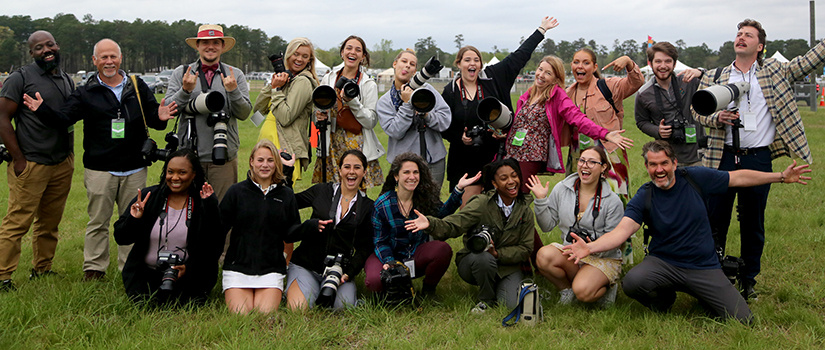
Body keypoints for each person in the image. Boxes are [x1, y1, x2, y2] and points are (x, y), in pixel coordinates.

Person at [564, 140, 811, 323]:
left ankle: (704, 295)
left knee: (744, 320)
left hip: (703, 266)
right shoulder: (645, 194)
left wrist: (780, 176)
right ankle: (664, 300)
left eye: (664, 163)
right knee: (633, 282)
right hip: (663, 263)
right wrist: (590, 248)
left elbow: (737, 178)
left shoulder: (695, 178)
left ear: (674, 163)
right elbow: (621, 232)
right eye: (653, 165)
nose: (659, 170)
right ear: (647, 167)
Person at [21, 38, 177, 281]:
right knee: (98, 222)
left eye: (113, 56)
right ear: (94, 61)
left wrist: (162, 116)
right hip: (100, 170)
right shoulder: (85, 92)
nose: (109, 61)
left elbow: (154, 120)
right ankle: (94, 269)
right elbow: (64, 119)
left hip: (135, 168)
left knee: (134, 219)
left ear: (120, 58)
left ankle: (130, 267)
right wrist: (41, 109)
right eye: (103, 57)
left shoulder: (137, 86)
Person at [695, 19, 825, 301]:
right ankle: (715, 276)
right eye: (739, 34)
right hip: (722, 159)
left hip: (758, 159)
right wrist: (718, 117)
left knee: (753, 224)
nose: (741, 38)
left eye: (748, 35)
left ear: (760, 46)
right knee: (715, 220)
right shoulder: (715, 75)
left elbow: (809, 61)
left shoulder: (777, 71)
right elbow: (697, 112)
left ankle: (748, 279)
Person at [441, 16, 559, 205]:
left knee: (498, 208)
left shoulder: (493, 78)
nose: (472, 64)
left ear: (481, 64)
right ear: (459, 64)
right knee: (469, 210)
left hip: (495, 155)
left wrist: (541, 31)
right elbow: (443, 126)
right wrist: (459, 137)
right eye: (467, 60)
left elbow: (520, 56)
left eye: (476, 60)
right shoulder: (450, 91)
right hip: (463, 158)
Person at [404, 157, 534, 313]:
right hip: (476, 261)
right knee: (484, 257)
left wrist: (498, 254)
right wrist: (431, 223)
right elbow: (455, 223)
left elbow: (526, 248)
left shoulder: (524, 209)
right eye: (504, 178)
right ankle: (485, 300)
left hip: (508, 266)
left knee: (512, 305)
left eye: (514, 176)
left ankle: (497, 287)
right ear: (494, 183)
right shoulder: (481, 203)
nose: (511, 181)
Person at [0, 30, 75, 290]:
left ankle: (42, 268)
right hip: (31, 162)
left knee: (50, 222)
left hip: (61, 163)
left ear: (57, 45)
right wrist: (18, 158)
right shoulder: (20, 78)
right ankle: (3, 276)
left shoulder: (65, 78)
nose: (46, 50)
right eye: (39, 47)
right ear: (31, 53)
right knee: (17, 222)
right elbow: (2, 118)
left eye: (50, 44)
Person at [505, 55, 633, 192]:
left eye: (548, 73)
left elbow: (578, 118)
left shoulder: (557, 95)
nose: (541, 75)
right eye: (540, 69)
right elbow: (519, 123)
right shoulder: (529, 94)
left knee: (518, 193)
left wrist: (605, 134)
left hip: (531, 154)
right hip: (512, 150)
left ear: (556, 78)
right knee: (503, 189)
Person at [113, 149, 223, 305]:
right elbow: (121, 238)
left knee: (186, 303)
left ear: (194, 175)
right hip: (146, 275)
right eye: (170, 172)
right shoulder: (149, 197)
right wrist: (134, 219)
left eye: (182, 172)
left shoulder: (201, 202)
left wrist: (188, 268)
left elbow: (214, 246)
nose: (175, 178)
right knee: (146, 304)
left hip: (188, 277)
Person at [365, 152, 480, 296]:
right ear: (396, 176)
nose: (412, 177)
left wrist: (458, 189)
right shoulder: (383, 205)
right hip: (388, 255)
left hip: (414, 254)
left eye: (415, 172)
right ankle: (388, 292)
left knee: (442, 249)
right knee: (374, 281)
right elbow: (380, 241)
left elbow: (442, 214)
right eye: (406, 172)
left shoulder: (424, 198)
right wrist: (391, 263)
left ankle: (428, 290)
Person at [220, 139, 312, 314]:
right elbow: (218, 228)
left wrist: (310, 226)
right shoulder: (236, 192)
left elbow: (291, 233)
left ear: (276, 164)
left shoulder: (286, 195)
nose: (265, 165)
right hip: (238, 268)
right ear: (251, 162)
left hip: (270, 269)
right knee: (241, 316)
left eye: (270, 160)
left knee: (264, 315)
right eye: (260, 160)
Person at [527, 146, 623, 306]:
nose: (585, 165)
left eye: (592, 162)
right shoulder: (562, 189)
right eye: (582, 160)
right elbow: (546, 226)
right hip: (573, 253)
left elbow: (615, 240)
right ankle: (566, 290)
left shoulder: (612, 201)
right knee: (543, 256)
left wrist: (590, 247)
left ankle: (606, 288)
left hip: (603, 257)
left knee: (583, 292)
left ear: (603, 167)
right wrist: (541, 200)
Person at [165, 24, 251, 200]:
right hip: (188, 157)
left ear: (222, 47)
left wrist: (233, 91)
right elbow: (168, 110)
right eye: (205, 42)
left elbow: (244, 113)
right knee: (189, 210)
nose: (210, 46)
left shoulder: (235, 74)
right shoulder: (182, 73)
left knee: (223, 212)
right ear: (197, 46)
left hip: (224, 156)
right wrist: (185, 90)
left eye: (215, 42)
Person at [287, 149, 375, 310]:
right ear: (340, 170)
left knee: (343, 307)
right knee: (298, 307)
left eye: (357, 167)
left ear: (364, 172)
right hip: (306, 265)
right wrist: (287, 173)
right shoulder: (321, 191)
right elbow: (289, 202)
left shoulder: (368, 207)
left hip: (339, 271)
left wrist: (349, 272)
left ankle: (346, 296)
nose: (351, 172)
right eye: (347, 167)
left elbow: (366, 247)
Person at [566, 48, 644, 200]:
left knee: (618, 198)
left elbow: (636, 82)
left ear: (595, 67)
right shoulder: (567, 93)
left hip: (610, 152)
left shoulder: (609, 86)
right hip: (578, 155)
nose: (580, 66)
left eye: (586, 62)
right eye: (576, 62)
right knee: (580, 198)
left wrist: (628, 62)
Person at [312, 36, 384, 188]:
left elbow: (371, 121)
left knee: (356, 190)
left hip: (357, 143)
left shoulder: (368, 83)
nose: (353, 52)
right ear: (342, 52)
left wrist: (352, 101)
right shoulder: (329, 78)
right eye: (349, 48)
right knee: (331, 190)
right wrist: (318, 115)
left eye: (358, 50)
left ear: (363, 56)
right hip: (331, 140)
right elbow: (317, 108)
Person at [377, 50, 451, 189]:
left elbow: (445, 120)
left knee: (432, 204)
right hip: (403, 163)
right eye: (404, 61)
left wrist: (426, 115)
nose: (407, 66)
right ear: (395, 64)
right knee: (406, 205)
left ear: (415, 71)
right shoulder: (385, 102)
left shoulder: (427, 90)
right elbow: (395, 131)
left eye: (412, 64)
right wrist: (407, 105)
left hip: (433, 160)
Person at [254, 37, 319, 178]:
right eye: (296, 54)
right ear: (288, 54)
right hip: (268, 142)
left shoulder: (303, 82)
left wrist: (277, 90)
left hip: (286, 146)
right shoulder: (286, 79)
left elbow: (285, 117)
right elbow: (258, 111)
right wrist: (273, 84)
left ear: (310, 60)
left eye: (305, 56)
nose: (299, 59)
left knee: (279, 193)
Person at [635, 41, 704, 166]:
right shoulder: (644, 93)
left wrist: (701, 73)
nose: (663, 66)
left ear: (674, 63)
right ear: (650, 64)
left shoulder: (688, 82)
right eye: (658, 61)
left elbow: (717, 83)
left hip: (697, 155)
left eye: (668, 61)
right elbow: (641, 122)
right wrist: (657, 130)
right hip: (666, 158)